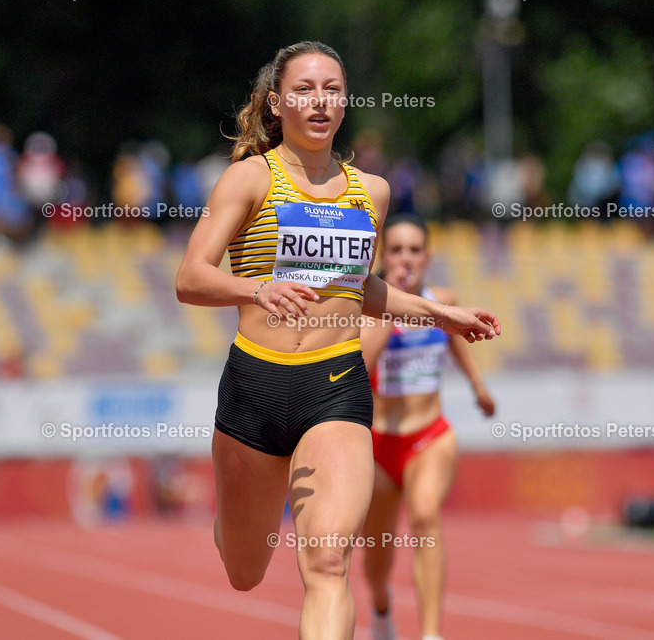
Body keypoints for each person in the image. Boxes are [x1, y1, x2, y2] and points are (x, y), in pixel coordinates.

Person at [175, 40, 500, 639]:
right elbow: (191, 277)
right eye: (304, 89)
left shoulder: (369, 192)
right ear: (278, 102)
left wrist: (436, 314)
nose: (319, 102)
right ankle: (234, 523)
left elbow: (361, 289)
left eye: (332, 90)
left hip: (336, 389)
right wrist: (257, 291)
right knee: (244, 570)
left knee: (327, 560)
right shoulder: (249, 179)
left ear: (346, 102)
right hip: (255, 386)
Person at [359, 214, 495, 640]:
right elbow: (360, 366)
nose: (405, 259)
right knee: (377, 548)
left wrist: (478, 386)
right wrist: (390, 304)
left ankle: (432, 633)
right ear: (383, 256)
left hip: (428, 436)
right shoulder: (369, 307)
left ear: (427, 255)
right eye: (396, 250)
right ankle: (381, 607)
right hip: (378, 443)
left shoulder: (444, 298)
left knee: (424, 516)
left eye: (414, 250)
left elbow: (455, 337)